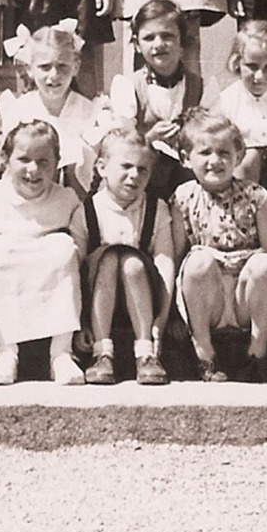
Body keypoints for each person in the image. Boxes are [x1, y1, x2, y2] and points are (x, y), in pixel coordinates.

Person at [0, 120, 86, 386]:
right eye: (23, 159)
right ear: (5, 160)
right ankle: (5, 353)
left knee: (64, 248)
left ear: (57, 164)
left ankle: (61, 354)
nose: (33, 169)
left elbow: (81, 249)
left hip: (49, 271)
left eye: (43, 162)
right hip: (6, 272)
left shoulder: (67, 199)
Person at [172, 108, 267, 383]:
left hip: (245, 298)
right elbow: (176, 257)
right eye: (205, 152)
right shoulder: (183, 197)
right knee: (197, 262)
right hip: (208, 300)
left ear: (238, 156)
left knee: (264, 263)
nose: (215, 160)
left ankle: (257, 354)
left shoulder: (256, 195)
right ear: (185, 158)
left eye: (223, 152)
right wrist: (173, 315)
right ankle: (205, 355)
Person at [81, 131, 176, 386]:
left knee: (132, 263)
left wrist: (162, 318)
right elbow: (76, 268)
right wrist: (80, 322)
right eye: (126, 166)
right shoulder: (87, 209)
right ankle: (102, 353)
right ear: (102, 167)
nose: (134, 175)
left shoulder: (156, 208)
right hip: (99, 299)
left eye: (142, 169)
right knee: (109, 258)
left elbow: (165, 262)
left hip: (142, 297)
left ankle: (146, 353)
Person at [100, 0, 202, 200]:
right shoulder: (128, 86)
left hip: (188, 177)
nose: (159, 44)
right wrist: (149, 138)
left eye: (167, 36)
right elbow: (122, 144)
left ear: (182, 42)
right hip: (142, 178)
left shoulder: (199, 86)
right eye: (149, 38)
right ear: (137, 45)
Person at [0, 22, 97, 191]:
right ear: (29, 69)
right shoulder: (20, 110)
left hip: (75, 197)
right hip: (27, 191)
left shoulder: (89, 112)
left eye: (62, 66)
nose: (54, 75)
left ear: (75, 67)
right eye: (45, 67)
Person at [214, 20, 267, 187]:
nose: (259, 76)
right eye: (252, 66)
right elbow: (216, 137)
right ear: (237, 64)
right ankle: (244, 201)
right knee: (248, 159)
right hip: (243, 160)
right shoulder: (227, 99)